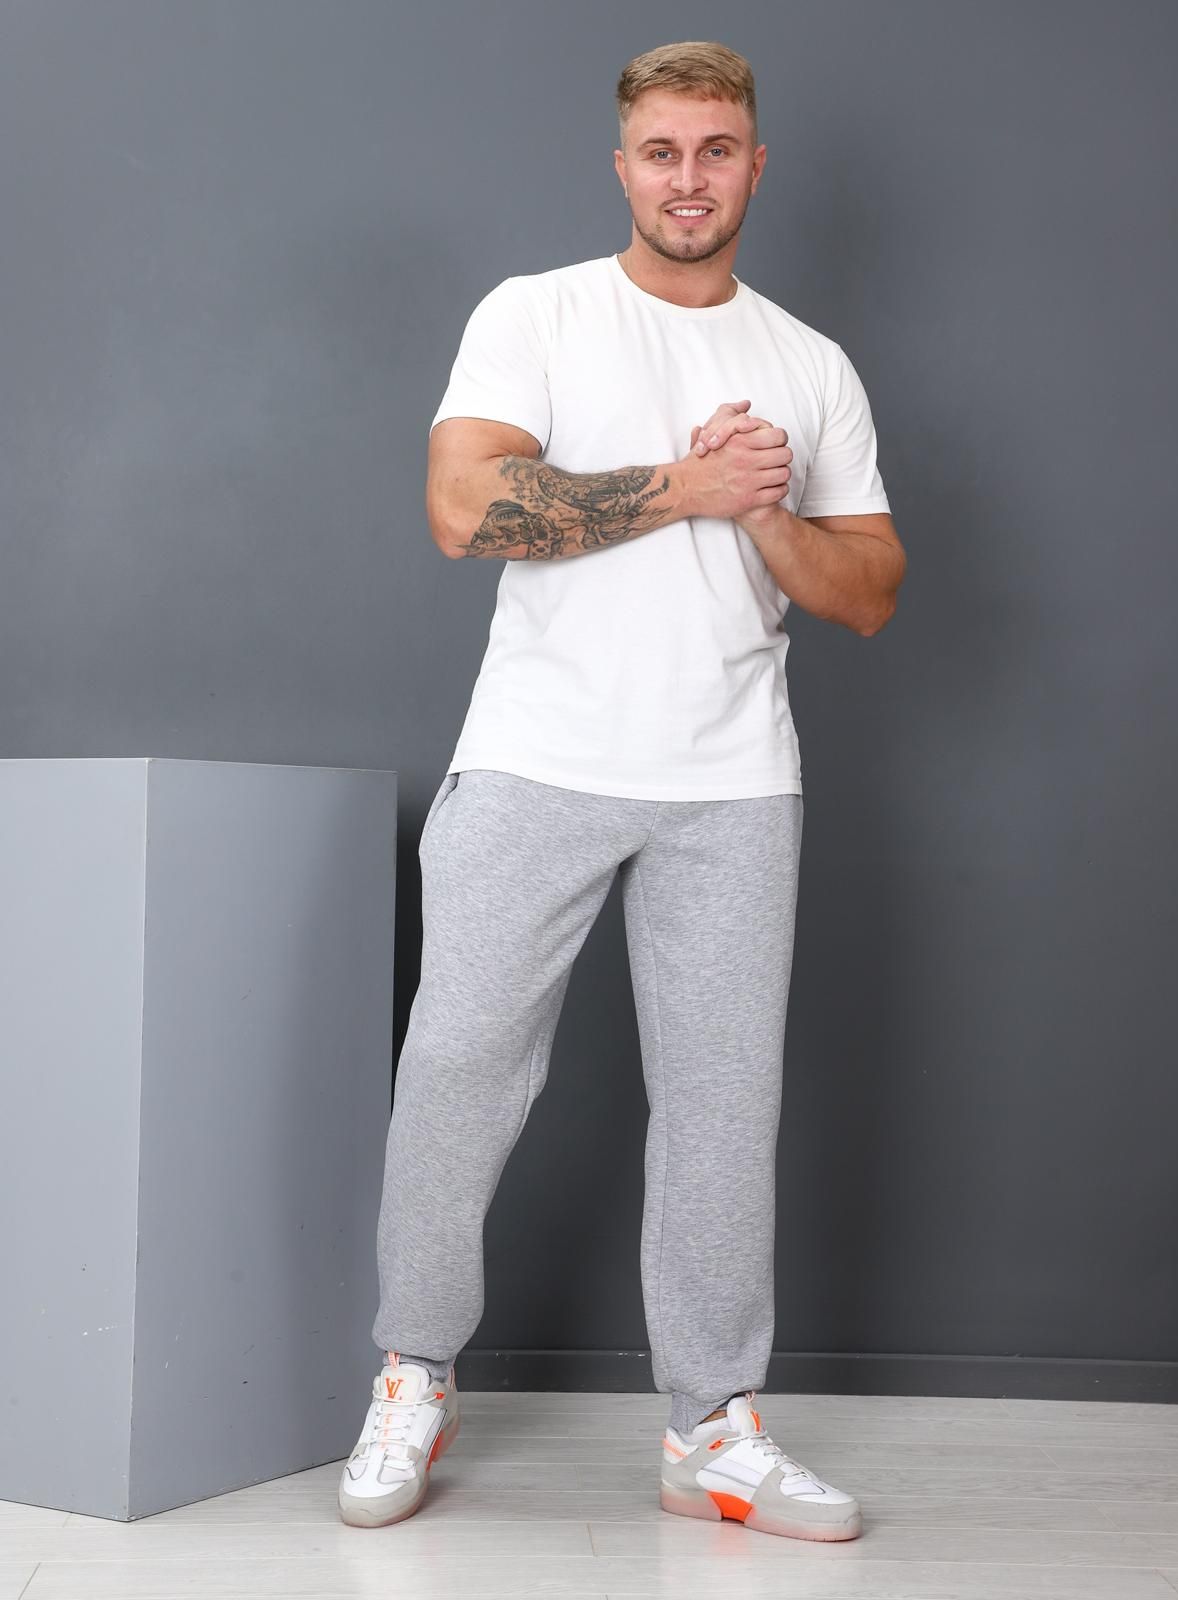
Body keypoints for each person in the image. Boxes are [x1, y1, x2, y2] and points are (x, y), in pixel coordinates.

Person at [339, 38, 906, 1539]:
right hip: (538, 756)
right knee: (460, 1073)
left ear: (755, 167)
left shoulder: (811, 366)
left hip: (734, 782)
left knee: (723, 1112)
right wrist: (685, 484)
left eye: (716, 151)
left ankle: (710, 1429)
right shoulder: (538, 314)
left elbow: (870, 592)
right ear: (623, 166)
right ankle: (412, 1374)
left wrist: (765, 512)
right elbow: (464, 506)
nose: (688, 179)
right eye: (662, 151)